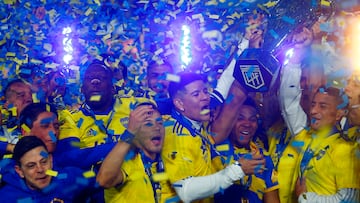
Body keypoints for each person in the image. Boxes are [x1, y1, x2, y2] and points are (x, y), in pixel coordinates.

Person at [161, 72, 266, 203]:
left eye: (205, 91)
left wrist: (242, 52)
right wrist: (238, 170)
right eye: (196, 94)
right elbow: (185, 190)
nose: (205, 97)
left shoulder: (193, 123)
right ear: (179, 104)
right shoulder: (177, 135)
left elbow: (222, 89)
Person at [293, 86, 360, 203]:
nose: (313, 111)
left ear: (338, 114)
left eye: (322, 106)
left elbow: (349, 199)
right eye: (313, 104)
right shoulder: (309, 138)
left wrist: (304, 198)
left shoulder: (344, 149)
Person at [97, 102, 166, 202]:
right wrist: (129, 133)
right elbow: (104, 180)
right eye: (148, 123)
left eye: (160, 123)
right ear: (135, 131)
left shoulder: (167, 158)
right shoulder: (129, 161)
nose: (157, 128)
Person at [215, 97, 280, 203]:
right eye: (240, 118)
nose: (247, 124)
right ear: (230, 121)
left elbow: (272, 199)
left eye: (252, 119)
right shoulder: (214, 151)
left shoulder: (263, 157)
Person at [0, 136, 97, 202]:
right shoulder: (6, 198)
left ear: (50, 160)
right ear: (19, 171)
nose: (40, 169)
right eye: (31, 166)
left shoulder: (69, 178)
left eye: (43, 162)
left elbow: (100, 179)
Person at [0, 79, 33, 156]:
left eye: (30, 95)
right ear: (7, 104)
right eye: (21, 95)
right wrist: (10, 148)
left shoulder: (44, 124)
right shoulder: (3, 131)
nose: (29, 99)